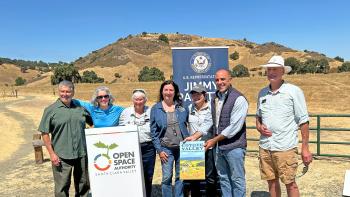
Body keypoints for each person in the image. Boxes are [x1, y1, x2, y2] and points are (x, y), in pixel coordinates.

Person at [256, 55, 313, 197]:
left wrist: (305, 148)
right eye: (269, 69)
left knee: (290, 184)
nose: (271, 72)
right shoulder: (262, 93)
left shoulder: (294, 91)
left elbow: (304, 121)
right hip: (265, 147)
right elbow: (258, 117)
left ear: (283, 71)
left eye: (275, 69)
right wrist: (259, 126)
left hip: (285, 147)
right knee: (271, 182)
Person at [38, 80, 93, 197]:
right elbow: (45, 133)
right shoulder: (50, 110)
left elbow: (93, 123)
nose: (65, 94)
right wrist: (52, 154)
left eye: (68, 91)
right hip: (61, 155)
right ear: (58, 92)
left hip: (81, 154)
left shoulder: (80, 109)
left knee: (83, 185)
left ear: (73, 92)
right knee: (61, 188)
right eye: (62, 91)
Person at [205, 69, 249, 197]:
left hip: (234, 147)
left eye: (223, 79)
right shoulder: (214, 97)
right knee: (223, 179)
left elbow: (234, 127)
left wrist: (214, 140)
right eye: (217, 80)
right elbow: (210, 121)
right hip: (219, 148)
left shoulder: (239, 99)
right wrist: (195, 136)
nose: (220, 82)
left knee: (237, 180)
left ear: (230, 80)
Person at [150, 80, 190, 197]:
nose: (168, 92)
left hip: (183, 148)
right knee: (167, 177)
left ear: (175, 92)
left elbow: (190, 124)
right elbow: (154, 132)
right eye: (166, 90)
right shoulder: (155, 109)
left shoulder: (182, 107)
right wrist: (159, 150)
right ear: (162, 92)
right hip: (166, 149)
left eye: (171, 90)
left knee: (181, 177)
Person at [119, 89, 156, 197]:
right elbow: (121, 130)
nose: (138, 102)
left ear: (145, 100)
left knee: (148, 176)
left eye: (141, 99)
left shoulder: (151, 111)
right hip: (131, 148)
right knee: (132, 175)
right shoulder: (126, 113)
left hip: (148, 148)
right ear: (132, 100)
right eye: (136, 99)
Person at [184, 84, 218, 197]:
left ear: (204, 95)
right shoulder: (189, 108)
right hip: (193, 148)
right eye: (193, 94)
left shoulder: (212, 108)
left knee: (210, 178)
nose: (196, 96)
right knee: (194, 179)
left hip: (209, 147)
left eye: (198, 94)